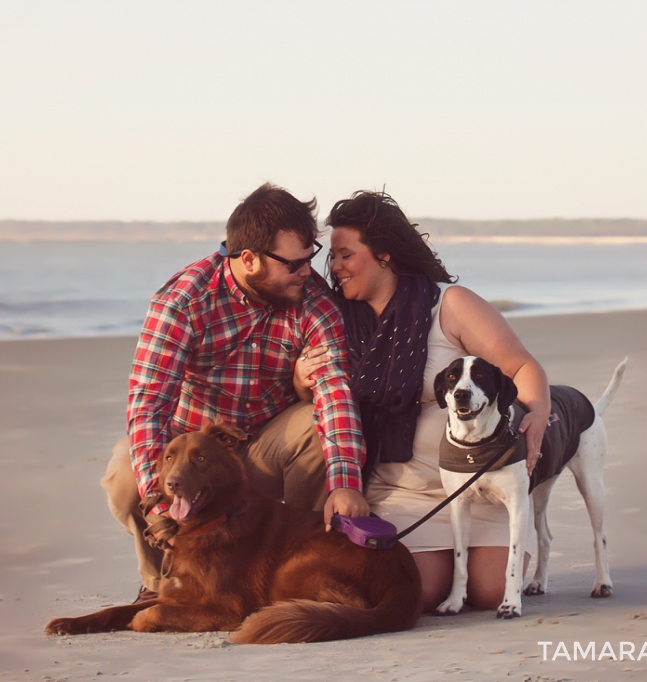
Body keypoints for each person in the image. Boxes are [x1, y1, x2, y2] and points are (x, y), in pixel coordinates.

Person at [102, 183, 369, 595]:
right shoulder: (183, 301)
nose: (309, 273)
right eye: (293, 264)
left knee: (318, 428)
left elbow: (335, 393)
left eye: (309, 258)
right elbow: (149, 407)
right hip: (196, 452)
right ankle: (164, 582)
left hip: (268, 447)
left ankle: (295, 570)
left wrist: (346, 481)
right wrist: (157, 506)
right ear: (248, 259)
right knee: (124, 470)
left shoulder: (312, 299)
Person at [295, 191, 551, 613]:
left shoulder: (449, 305)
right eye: (333, 257)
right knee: (419, 593)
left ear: (384, 255)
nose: (335, 267)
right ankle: (441, 565)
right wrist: (300, 378)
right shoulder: (335, 318)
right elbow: (323, 400)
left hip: (478, 483)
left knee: (489, 594)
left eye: (345, 254)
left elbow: (521, 367)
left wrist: (538, 409)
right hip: (399, 491)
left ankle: (480, 555)